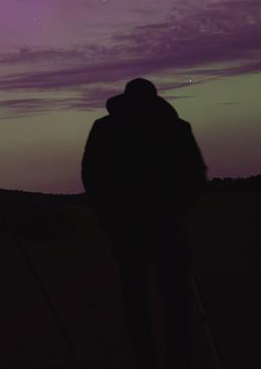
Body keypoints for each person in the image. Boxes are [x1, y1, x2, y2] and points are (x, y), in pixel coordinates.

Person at [81, 78, 207, 369]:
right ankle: (176, 358)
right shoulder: (176, 128)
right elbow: (195, 175)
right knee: (171, 297)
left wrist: (107, 218)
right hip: (160, 227)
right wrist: (177, 209)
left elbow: (92, 176)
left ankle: (148, 358)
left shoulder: (106, 128)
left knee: (139, 297)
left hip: (132, 228)